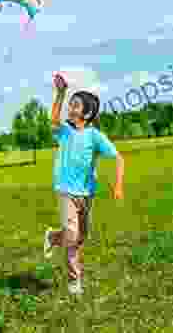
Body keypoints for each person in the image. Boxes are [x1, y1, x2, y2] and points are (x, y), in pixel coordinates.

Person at [44, 72, 125, 296]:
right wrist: (60, 94)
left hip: (86, 194)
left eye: (75, 105)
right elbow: (53, 120)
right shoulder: (65, 132)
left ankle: (52, 237)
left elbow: (118, 158)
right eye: (70, 104)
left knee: (79, 238)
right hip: (65, 191)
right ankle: (74, 281)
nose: (70, 108)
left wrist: (118, 186)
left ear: (87, 113)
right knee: (71, 234)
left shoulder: (95, 136)